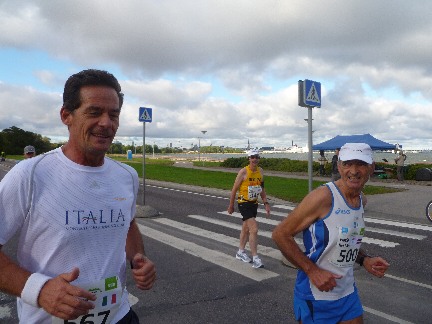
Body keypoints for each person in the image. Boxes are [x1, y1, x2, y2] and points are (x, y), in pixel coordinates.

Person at [0, 69, 156, 323]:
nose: (106, 123)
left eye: (113, 114)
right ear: (66, 116)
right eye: (94, 112)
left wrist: (139, 259)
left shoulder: (126, 175)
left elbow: (127, 223)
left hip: (119, 316)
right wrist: (39, 291)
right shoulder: (30, 174)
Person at [272, 143, 389, 323]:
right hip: (317, 296)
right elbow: (280, 234)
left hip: (348, 292)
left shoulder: (361, 200)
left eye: (361, 164)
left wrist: (364, 259)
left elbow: (347, 241)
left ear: (371, 168)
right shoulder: (323, 197)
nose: (354, 170)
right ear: (339, 166)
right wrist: (313, 271)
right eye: (348, 164)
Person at [228, 149, 271, 269]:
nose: (255, 159)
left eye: (257, 157)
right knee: (254, 229)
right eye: (252, 157)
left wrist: (266, 203)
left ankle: (240, 252)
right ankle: (256, 258)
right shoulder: (243, 172)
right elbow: (234, 190)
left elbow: (261, 188)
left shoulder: (260, 171)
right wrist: (231, 205)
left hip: (253, 203)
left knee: (246, 229)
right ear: (249, 159)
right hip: (244, 203)